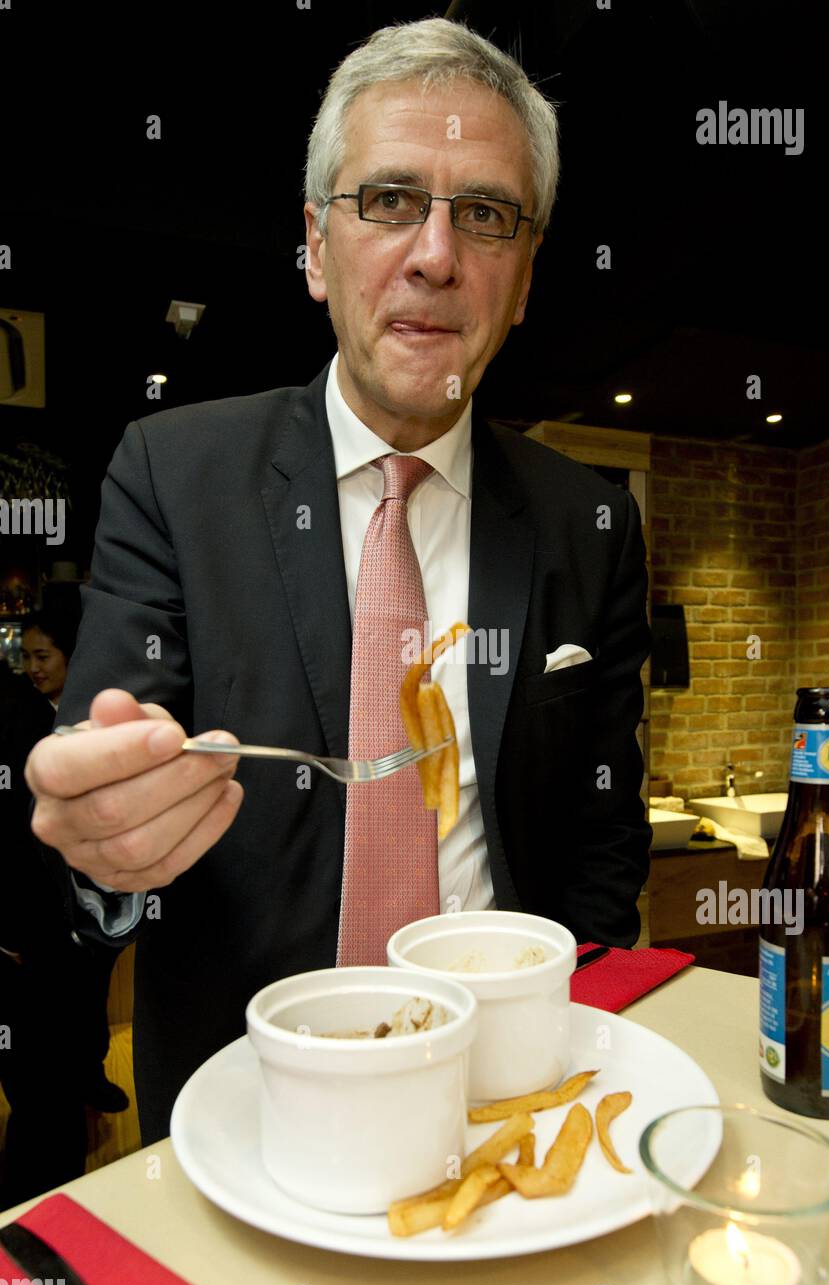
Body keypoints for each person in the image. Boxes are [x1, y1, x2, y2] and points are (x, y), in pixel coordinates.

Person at [24, 17, 652, 1148]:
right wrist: (109, 853)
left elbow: (604, 841)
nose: (434, 255)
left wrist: (571, 1036)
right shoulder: (173, 472)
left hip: (507, 1104)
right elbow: (105, 824)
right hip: (248, 1101)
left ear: (522, 280)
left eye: (486, 215)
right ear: (314, 248)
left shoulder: (589, 522)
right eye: (389, 200)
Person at [0, 609, 126, 1208]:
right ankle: (35, 1201)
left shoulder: (83, 718)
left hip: (83, 915)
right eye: (25, 657)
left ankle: (89, 1079)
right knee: (35, 1074)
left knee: (80, 1018)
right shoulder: (17, 721)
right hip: (35, 923)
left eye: (42, 656)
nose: (31, 669)